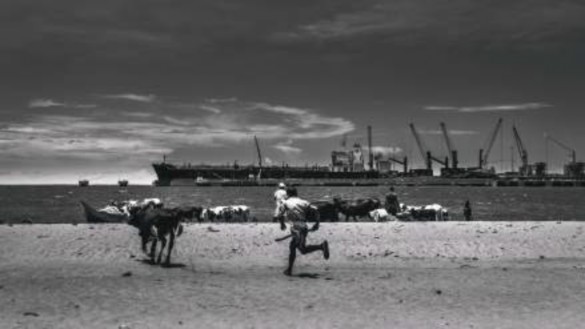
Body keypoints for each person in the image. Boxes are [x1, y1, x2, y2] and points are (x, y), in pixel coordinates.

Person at [276, 187, 329, 276]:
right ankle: (289, 269)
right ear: (296, 193)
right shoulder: (304, 202)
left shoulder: (285, 202)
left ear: (288, 194)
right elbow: (316, 210)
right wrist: (317, 223)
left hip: (296, 228)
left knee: (300, 249)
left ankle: (321, 246)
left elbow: (279, 215)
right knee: (295, 247)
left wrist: (282, 224)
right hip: (303, 226)